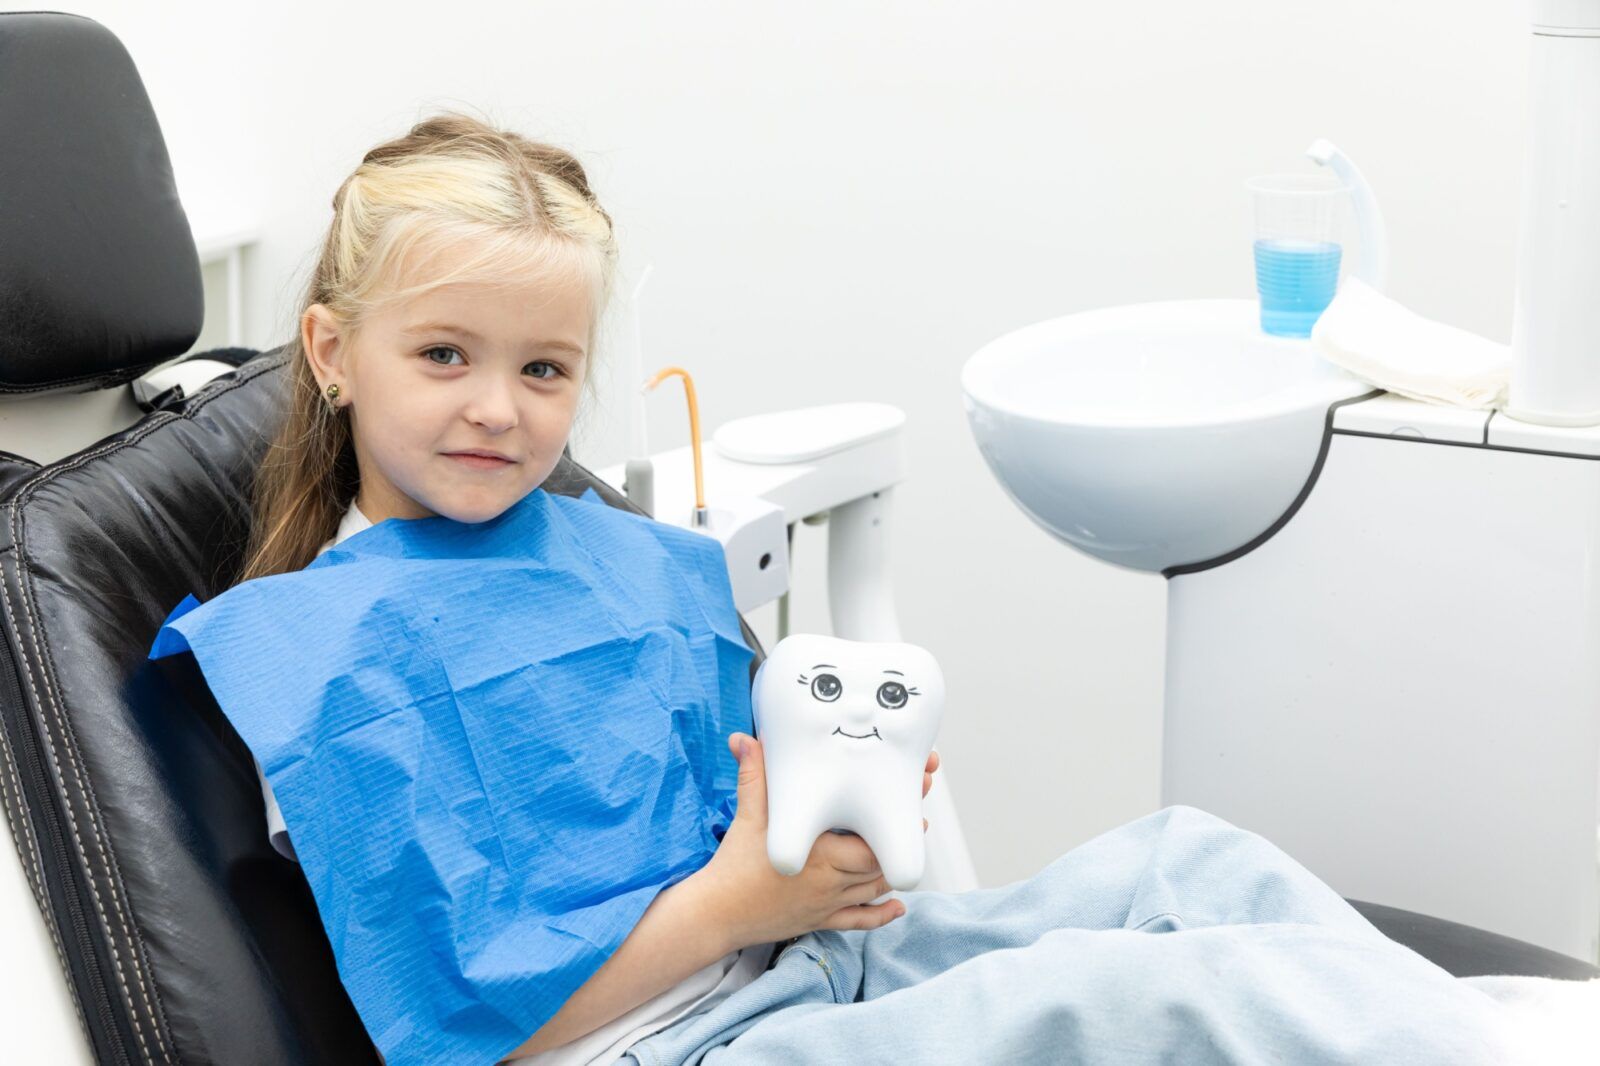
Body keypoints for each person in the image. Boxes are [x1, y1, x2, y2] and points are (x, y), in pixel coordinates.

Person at [226, 111, 1594, 1065]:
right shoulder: (328, 663)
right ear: (335, 350)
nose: (501, 411)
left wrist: (828, 812)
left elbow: (717, 804)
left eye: (543, 369)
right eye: (446, 355)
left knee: (1188, 858)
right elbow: (472, 1020)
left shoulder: (601, 551)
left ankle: (1472, 1037)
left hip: (803, 967)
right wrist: (746, 906)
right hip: (687, 1041)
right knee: (1173, 993)